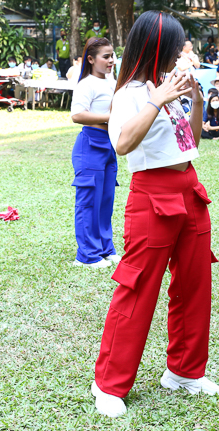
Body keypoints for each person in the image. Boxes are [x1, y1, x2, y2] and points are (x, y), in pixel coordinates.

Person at [93, 11, 219, 418]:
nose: (180, 56)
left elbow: (190, 142)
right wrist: (156, 100)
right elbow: (122, 144)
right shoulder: (131, 93)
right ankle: (108, 384)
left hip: (189, 188)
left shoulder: (165, 86)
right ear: (156, 48)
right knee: (138, 288)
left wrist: (195, 100)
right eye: (175, 48)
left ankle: (184, 372)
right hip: (152, 195)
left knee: (195, 285)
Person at [69, 38, 119, 268]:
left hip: (109, 145)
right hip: (90, 145)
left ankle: (105, 249)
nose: (111, 60)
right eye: (105, 56)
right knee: (89, 202)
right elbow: (77, 115)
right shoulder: (86, 84)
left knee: (105, 201)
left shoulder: (111, 82)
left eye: (112, 56)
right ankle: (87, 256)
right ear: (90, 59)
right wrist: (111, 117)